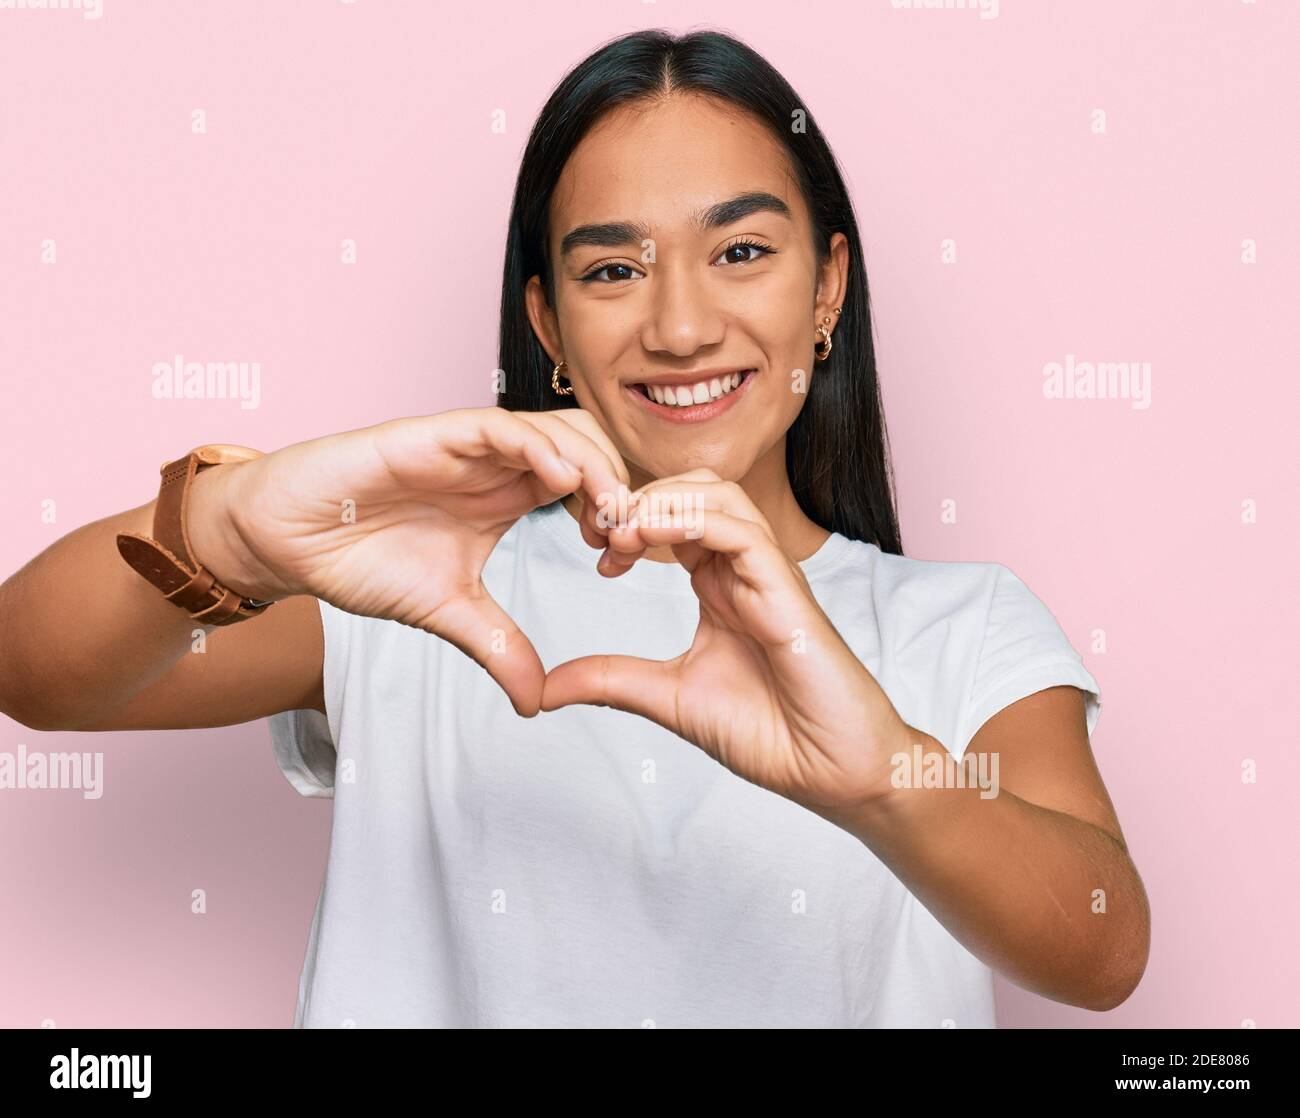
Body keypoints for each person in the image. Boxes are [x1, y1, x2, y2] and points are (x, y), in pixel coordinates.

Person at [0, 28, 1149, 1028]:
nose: (682, 323)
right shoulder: (419, 578)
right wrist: (230, 524)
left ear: (827, 287)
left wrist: (881, 779)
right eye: (612, 268)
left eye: (741, 250)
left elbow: (1103, 948)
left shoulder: (963, 624)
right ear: (546, 318)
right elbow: (33, 671)